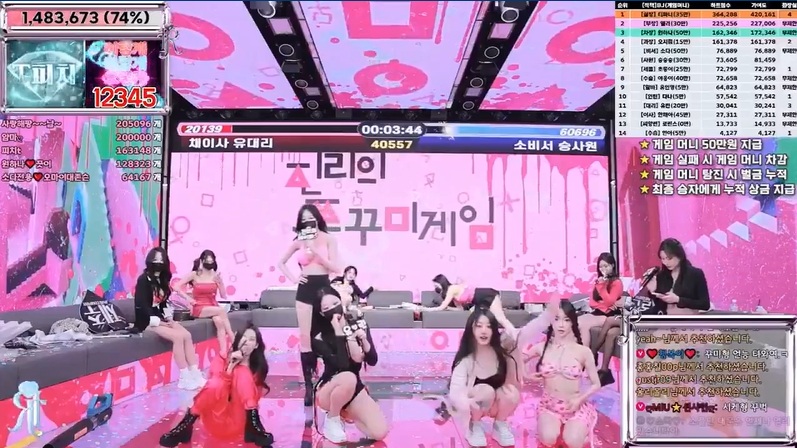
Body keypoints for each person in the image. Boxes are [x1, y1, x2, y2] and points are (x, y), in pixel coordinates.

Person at [448, 295, 559, 447]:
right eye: (479, 326)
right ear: (471, 330)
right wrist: (467, 404)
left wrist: (549, 315)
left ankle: (500, 424)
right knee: (485, 390)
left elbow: (527, 332)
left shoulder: (502, 347)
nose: (484, 331)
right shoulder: (466, 361)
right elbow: (455, 393)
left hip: (496, 404)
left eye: (488, 326)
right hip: (475, 405)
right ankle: (475, 426)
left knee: (511, 392)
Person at [159, 325, 274, 447]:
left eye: (251, 339)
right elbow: (214, 387)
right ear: (237, 339)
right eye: (244, 337)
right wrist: (230, 367)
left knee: (242, 373)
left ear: (256, 345)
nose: (246, 342)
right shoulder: (222, 358)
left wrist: (243, 366)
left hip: (240, 422)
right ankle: (185, 426)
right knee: (217, 383)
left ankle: (255, 428)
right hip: (215, 418)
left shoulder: (258, 369)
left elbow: (253, 396)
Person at [277, 204, 340, 406]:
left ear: (317, 218)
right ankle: (308, 386)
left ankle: (328, 379)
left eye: (310, 218)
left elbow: (336, 268)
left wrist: (318, 255)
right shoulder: (299, 241)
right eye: (303, 219)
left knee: (329, 335)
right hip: (305, 290)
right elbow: (281, 262)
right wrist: (294, 279)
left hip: (324, 290)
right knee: (305, 338)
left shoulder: (328, 239)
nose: (307, 222)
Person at [313, 286, 387, 444]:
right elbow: (342, 364)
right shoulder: (319, 337)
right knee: (348, 377)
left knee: (379, 432)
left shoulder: (358, 324)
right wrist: (338, 332)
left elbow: (372, 360)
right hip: (329, 388)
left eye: (335, 303)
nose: (333, 309)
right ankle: (332, 418)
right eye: (326, 308)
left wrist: (363, 339)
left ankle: (347, 412)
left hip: (354, 389)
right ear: (321, 313)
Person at [528, 300, 602, 448]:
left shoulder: (583, 351)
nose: (561, 325)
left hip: (575, 406)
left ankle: (580, 431)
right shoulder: (541, 348)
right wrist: (526, 376)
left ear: (572, 322)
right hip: (549, 407)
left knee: (573, 442)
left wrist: (579, 400)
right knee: (548, 439)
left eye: (566, 320)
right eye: (557, 319)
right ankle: (553, 427)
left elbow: (596, 384)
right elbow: (515, 360)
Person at [134, 247, 204, 390]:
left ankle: (195, 373)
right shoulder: (143, 279)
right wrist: (157, 321)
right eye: (156, 260)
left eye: (161, 260)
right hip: (146, 320)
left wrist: (168, 318)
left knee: (186, 335)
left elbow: (163, 303)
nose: (158, 263)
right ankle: (184, 377)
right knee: (177, 337)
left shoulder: (163, 279)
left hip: (160, 318)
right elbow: (141, 305)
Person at [173, 249, 235, 355]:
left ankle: (223, 352)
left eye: (211, 261)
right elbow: (176, 286)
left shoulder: (215, 275)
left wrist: (220, 283)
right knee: (221, 311)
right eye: (207, 261)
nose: (209, 263)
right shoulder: (194, 274)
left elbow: (223, 295)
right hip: (199, 306)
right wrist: (188, 298)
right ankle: (232, 338)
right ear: (202, 261)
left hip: (212, 306)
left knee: (219, 321)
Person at [421, 274, 517, 335]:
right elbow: (460, 309)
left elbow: (442, 306)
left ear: (441, 283)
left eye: (436, 285)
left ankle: (515, 335)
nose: (435, 287)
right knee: (495, 319)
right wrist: (448, 308)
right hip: (479, 301)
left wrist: (427, 309)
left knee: (501, 319)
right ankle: (512, 335)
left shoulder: (451, 289)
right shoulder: (453, 295)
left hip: (486, 295)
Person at [645, 238, 710, 315]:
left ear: (679, 256)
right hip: (666, 320)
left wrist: (678, 300)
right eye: (663, 259)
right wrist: (653, 291)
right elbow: (659, 307)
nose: (666, 262)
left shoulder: (696, 274)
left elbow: (705, 304)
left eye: (669, 258)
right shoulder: (661, 275)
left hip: (688, 319)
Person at [577, 252, 624, 348]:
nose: (603, 269)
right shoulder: (599, 281)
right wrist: (604, 305)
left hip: (609, 315)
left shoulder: (616, 282)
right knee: (577, 321)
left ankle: (586, 354)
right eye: (600, 267)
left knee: (584, 325)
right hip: (597, 312)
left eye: (606, 266)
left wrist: (602, 288)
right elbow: (592, 302)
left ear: (612, 265)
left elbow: (610, 302)